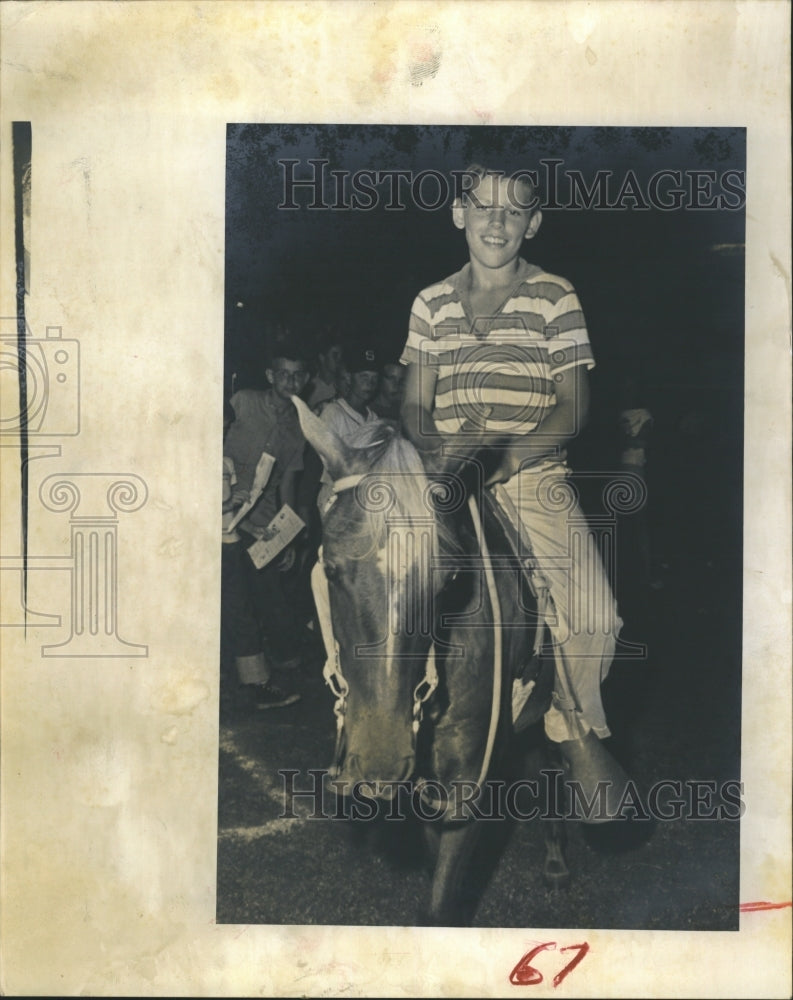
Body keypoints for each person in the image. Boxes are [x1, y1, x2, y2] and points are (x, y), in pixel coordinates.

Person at [399, 163, 627, 814]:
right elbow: (414, 402)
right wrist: (440, 455)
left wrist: (503, 459)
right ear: (458, 213)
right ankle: (361, 707)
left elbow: (574, 407)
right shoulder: (430, 301)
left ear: (533, 223)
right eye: (483, 206)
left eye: (514, 210)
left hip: (529, 475)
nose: (496, 221)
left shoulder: (554, 295)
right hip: (445, 473)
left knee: (595, 617)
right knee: (349, 565)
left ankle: (569, 721)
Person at [223, 341, 316, 670]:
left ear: (307, 379)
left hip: (261, 521)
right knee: (233, 593)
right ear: (270, 375)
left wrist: (285, 537)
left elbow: (287, 485)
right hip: (221, 509)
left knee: (268, 589)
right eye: (283, 374)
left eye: (298, 375)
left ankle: (286, 662)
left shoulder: (300, 426)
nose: (291, 382)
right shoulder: (243, 401)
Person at [221, 400, 300, 711]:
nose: (221, 434)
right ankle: (244, 684)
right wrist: (227, 504)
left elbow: (230, 516)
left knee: (242, 614)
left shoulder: (226, 463)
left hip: (231, 542)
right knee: (234, 616)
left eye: (225, 429)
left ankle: (253, 684)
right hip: (210, 549)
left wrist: (250, 525)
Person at [315, 344, 381, 515]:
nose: (369, 384)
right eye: (363, 377)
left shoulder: (374, 419)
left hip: (364, 499)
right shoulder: (333, 412)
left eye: (374, 378)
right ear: (349, 378)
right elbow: (319, 463)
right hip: (335, 497)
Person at [306, 328, 344, 410]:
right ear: (322, 358)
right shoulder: (309, 387)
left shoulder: (343, 386)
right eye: (335, 355)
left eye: (341, 356)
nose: (339, 360)